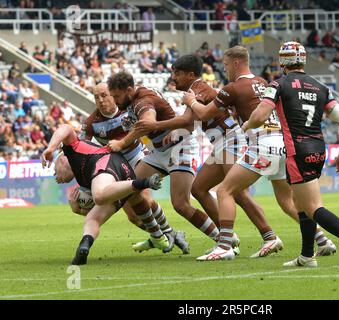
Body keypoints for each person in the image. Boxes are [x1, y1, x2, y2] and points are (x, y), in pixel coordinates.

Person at [183, 46, 336, 261]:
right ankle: (322, 240)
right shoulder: (264, 83)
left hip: (262, 144)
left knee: (226, 191)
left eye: (226, 65)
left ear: (236, 63)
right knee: (287, 202)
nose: (224, 70)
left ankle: (225, 245)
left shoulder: (233, 88)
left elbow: (205, 113)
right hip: (282, 143)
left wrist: (190, 101)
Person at [242, 41, 339, 268]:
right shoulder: (320, 87)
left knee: (312, 207)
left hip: (297, 151)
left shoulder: (278, 85)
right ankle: (307, 256)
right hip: (318, 149)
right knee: (300, 205)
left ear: (282, 61)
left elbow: (260, 117)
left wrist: (246, 126)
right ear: (303, 60)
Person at [107, 71, 221, 251]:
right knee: (130, 189)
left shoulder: (141, 102)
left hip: (180, 148)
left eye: (117, 96)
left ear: (129, 90)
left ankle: (224, 240)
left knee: (181, 204)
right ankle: (162, 234)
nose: (115, 101)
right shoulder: (137, 96)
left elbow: (147, 122)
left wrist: (122, 143)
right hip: (159, 151)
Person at [80, 83, 189, 253]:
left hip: (138, 156)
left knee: (142, 197)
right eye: (96, 97)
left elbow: (149, 121)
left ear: (113, 95)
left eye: (104, 95)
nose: (101, 100)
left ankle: (166, 234)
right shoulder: (91, 123)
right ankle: (169, 235)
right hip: (116, 168)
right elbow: (81, 148)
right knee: (133, 217)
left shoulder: (128, 109)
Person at [41, 124, 168, 265]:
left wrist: (51, 148)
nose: (56, 177)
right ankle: (84, 246)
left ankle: (144, 182)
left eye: (55, 171)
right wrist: (78, 209)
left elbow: (65, 127)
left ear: (62, 160)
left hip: (107, 161)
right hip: (122, 174)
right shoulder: (82, 181)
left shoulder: (71, 149)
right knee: (92, 219)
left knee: (99, 195)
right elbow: (100, 206)